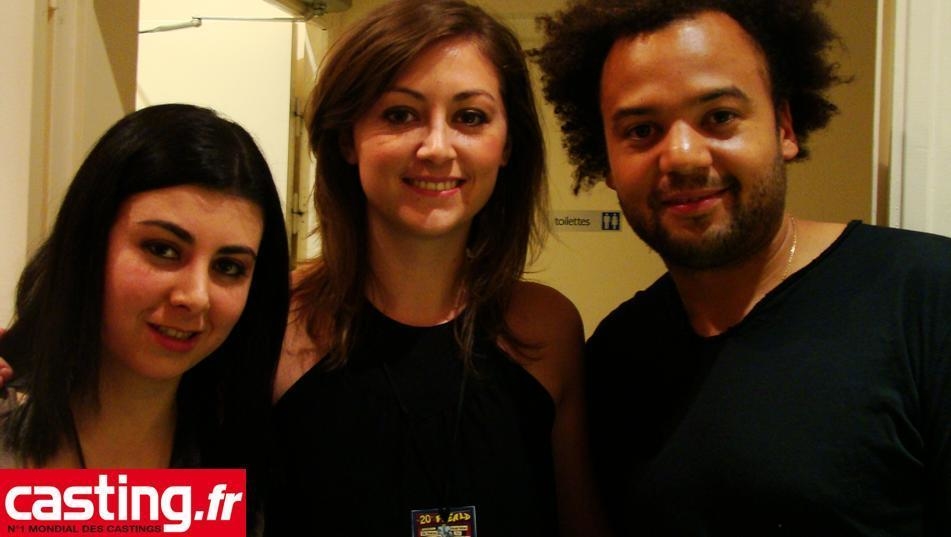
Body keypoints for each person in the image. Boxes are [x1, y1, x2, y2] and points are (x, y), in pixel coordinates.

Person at [532, 0, 951, 535]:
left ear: (784, 127)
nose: (683, 156)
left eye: (720, 117)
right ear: (606, 161)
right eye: (641, 129)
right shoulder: (616, 355)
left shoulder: (927, 296)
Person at [265, 0, 607, 535]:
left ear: (507, 145)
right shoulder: (274, 324)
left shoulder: (548, 330)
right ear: (347, 138)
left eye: (470, 117)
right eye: (400, 115)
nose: (437, 148)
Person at [0, 103, 290, 532]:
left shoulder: (245, 461)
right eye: (162, 249)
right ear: (89, 242)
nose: (195, 296)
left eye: (229, 267)